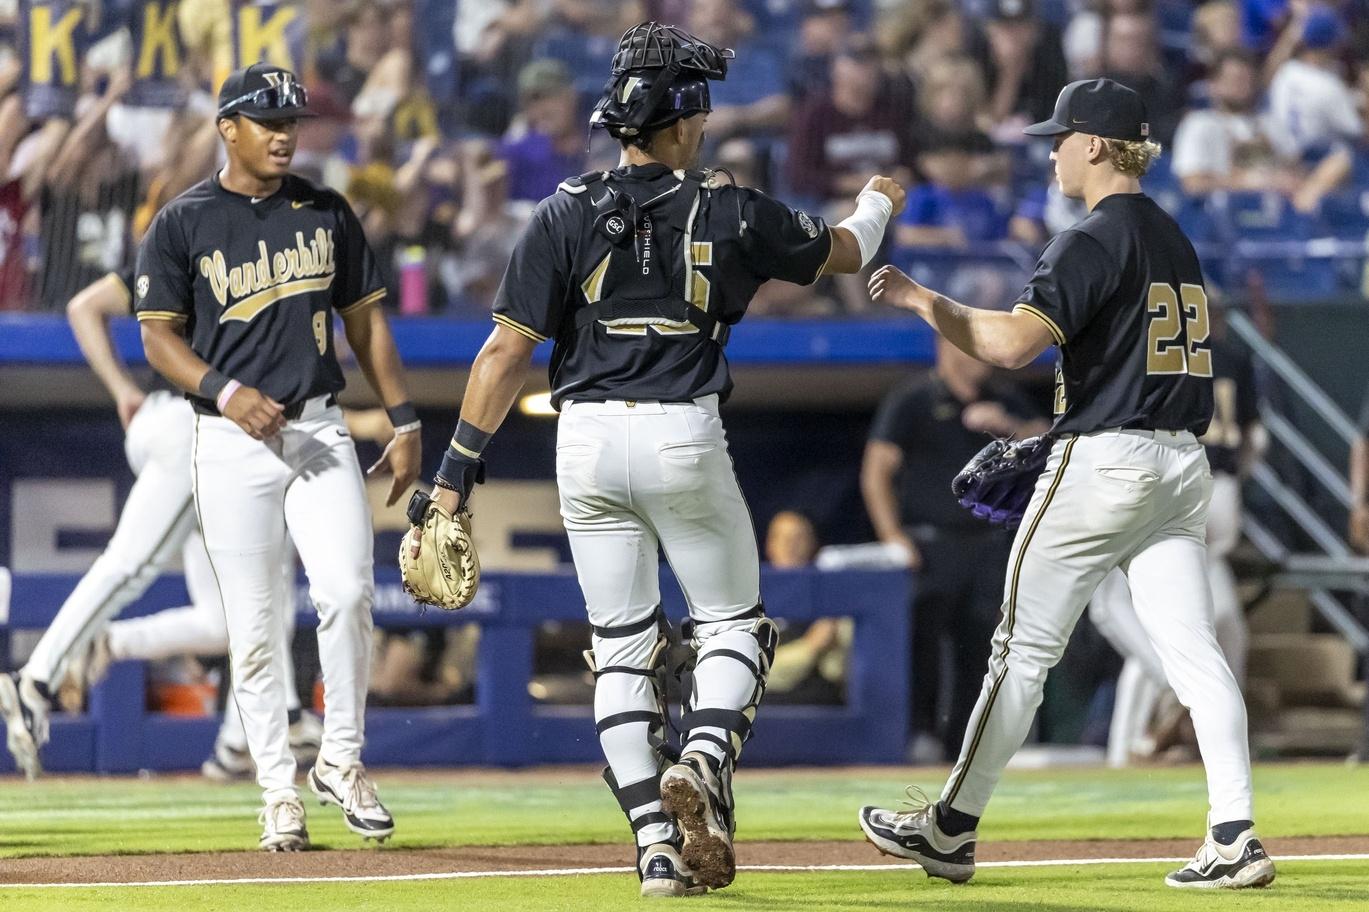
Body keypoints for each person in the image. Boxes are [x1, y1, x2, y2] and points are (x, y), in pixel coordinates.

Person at [405, 21, 904, 898]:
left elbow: (498, 357)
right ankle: (703, 760)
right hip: (682, 433)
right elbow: (847, 250)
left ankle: (653, 851)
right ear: (679, 123)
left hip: (586, 442)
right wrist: (880, 197)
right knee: (732, 626)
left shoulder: (559, 210)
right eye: (699, 114)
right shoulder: (730, 206)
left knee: (621, 651)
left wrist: (450, 482)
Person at [856, 78, 1275, 891]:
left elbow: (1010, 346)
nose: (1048, 151)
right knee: (1195, 656)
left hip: (1108, 459)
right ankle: (1233, 832)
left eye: (1058, 137)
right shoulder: (1172, 238)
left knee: (1020, 651)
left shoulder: (1091, 237)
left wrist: (918, 299)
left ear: (1093, 145)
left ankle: (948, 828)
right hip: (1180, 468)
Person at [133, 64, 420, 852]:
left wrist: (403, 419)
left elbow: (367, 325)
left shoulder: (325, 209)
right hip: (227, 438)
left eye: (292, 118)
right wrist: (224, 391)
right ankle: (275, 793)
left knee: (347, 591)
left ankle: (342, 760)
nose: (286, 131)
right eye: (267, 120)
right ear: (228, 128)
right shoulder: (184, 219)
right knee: (254, 627)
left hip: (318, 428)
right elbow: (157, 336)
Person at [0, 271, 320, 782]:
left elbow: (85, 305)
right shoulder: (201, 242)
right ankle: (36, 678)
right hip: (190, 423)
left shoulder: (189, 240)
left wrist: (123, 391)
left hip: (196, 429)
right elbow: (85, 305)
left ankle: (242, 738)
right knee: (131, 565)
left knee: (233, 610)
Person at [863, 337, 1048, 763]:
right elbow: (877, 471)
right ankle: (920, 735)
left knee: (982, 648)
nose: (982, 355)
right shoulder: (914, 398)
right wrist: (892, 535)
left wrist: (1006, 425)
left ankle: (966, 744)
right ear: (945, 347)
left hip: (988, 543)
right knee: (922, 644)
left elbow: (1050, 444)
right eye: (971, 346)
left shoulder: (1003, 398)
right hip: (929, 544)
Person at [1089, 328, 1260, 766]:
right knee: (1221, 625)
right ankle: (1209, 735)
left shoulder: (1137, 349)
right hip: (1213, 485)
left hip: (1151, 482)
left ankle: (1148, 731)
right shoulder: (1230, 353)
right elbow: (1255, 440)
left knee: (1132, 617)